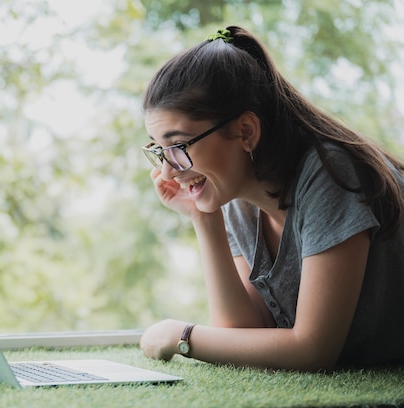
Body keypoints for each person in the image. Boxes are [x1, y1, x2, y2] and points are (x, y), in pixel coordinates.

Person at [139, 26, 404, 371]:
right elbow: (243, 333)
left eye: (178, 147)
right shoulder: (234, 196)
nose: (170, 171)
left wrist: (182, 335)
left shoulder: (331, 173)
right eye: (160, 151)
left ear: (245, 131)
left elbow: (313, 349)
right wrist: (203, 218)